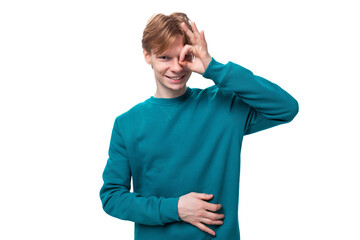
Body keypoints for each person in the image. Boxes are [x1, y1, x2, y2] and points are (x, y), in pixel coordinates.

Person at [99, 12, 299, 240]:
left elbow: (286, 107)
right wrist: (175, 209)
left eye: (183, 56)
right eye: (165, 57)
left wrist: (213, 68)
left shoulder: (224, 106)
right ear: (147, 55)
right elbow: (112, 197)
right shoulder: (127, 124)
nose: (176, 68)